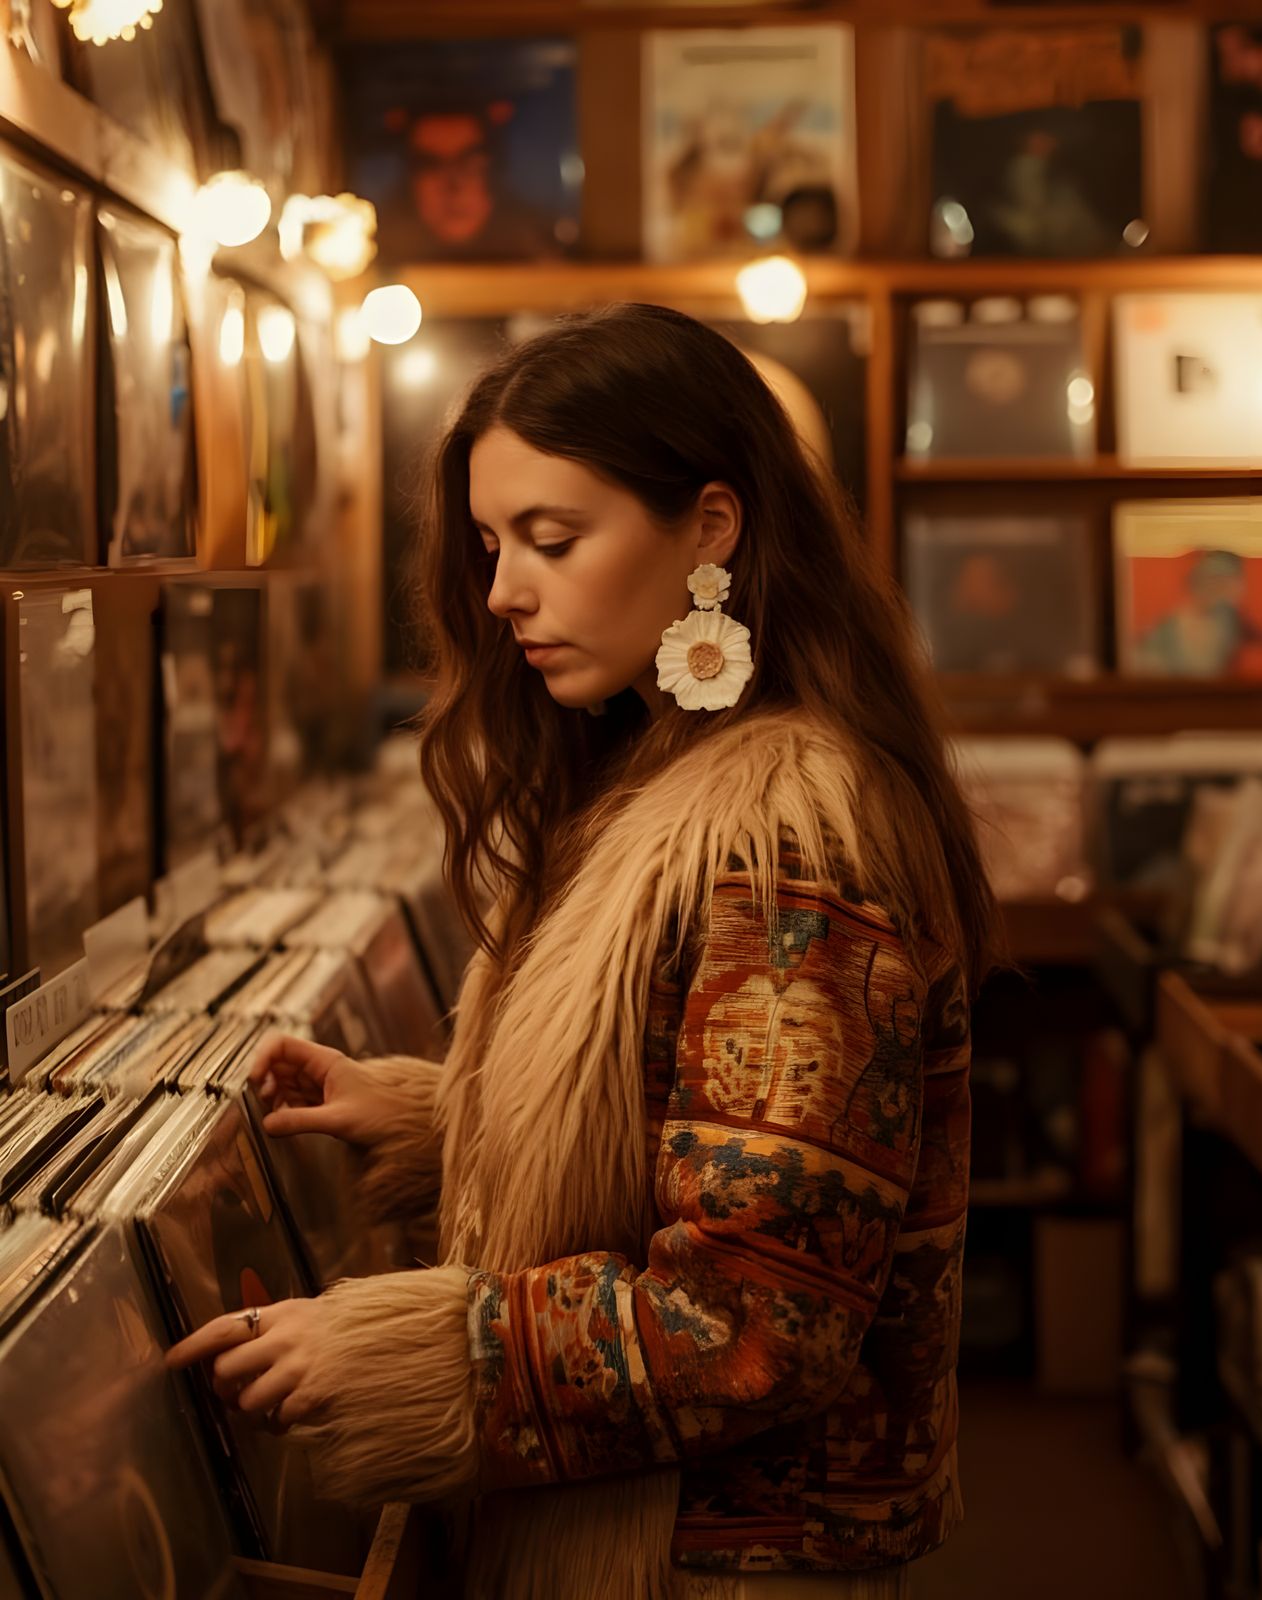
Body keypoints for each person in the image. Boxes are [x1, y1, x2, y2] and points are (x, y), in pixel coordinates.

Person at [170, 303, 997, 1599]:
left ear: (712, 529)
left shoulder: (790, 841)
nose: (503, 591)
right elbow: (719, 1139)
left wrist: (420, 1356)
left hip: (709, 1564)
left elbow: (756, 1319)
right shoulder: (660, 767)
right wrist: (449, 1118)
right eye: (494, 543)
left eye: (553, 540)